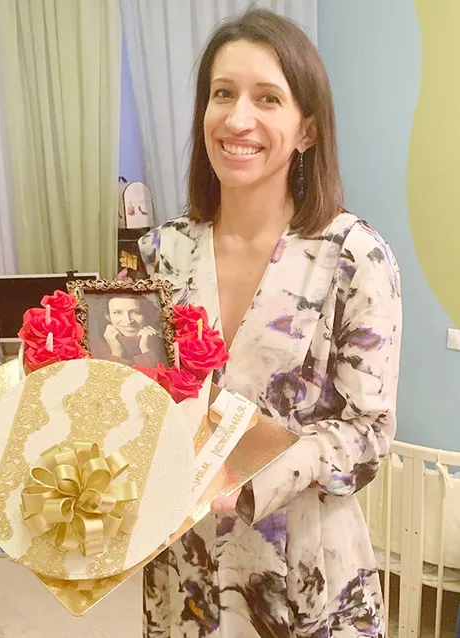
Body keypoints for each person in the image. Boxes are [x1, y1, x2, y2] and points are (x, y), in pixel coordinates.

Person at [139, 9, 401, 638]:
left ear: (306, 129)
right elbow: (141, 395)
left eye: (267, 98)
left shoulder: (354, 257)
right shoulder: (162, 253)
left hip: (302, 570)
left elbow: (369, 434)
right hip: (184, 568)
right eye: (222, 94)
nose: (238, 119)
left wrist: (256, 480)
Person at [94, 295, 166, 367]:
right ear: (108, 316)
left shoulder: (165, 345)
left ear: (146, 314)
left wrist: (145, 350)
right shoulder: (96, 349)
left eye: (136, 312)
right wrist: (117, 352)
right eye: (118, 312)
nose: (128, 321)